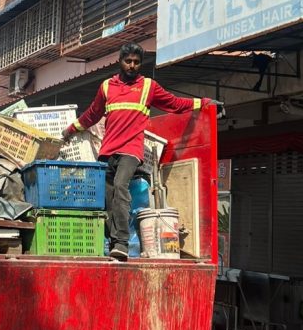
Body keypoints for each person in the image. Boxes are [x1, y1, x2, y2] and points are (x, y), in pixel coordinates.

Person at [62, 42, 220, 261]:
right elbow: (93, 114)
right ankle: (111, 240)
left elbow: (173, 103)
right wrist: (71, 129)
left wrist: (203, 103)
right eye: (128, 61)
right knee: (108, 197)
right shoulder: (107, 87)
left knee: (120, 186)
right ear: (120, 61)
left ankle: (122, 244)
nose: (132, 66)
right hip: (108, 150)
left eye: (136, 62)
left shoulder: (148, 86)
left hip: (131, 149)